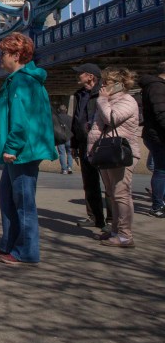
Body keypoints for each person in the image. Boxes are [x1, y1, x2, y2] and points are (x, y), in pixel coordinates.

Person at [0, 33, 55, 266]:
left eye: (4, 53)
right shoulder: (27, 79)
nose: (0, 58)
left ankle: (26, 251)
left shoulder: (20, 81)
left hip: (22, 152)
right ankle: (9, 242)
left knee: (23, 202)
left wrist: (12, 147)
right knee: (8, 197)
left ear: (16, 55)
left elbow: (20, 120)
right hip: (25, 149)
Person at [87, 67, 140, 248]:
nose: (102, 85)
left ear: (119, 84)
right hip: (108, 152)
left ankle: (125, 235)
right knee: (111, 193)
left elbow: (112, 118)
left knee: (121, 194)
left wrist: (102, 100)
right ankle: (116, 230)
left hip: (121, 153)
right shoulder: (110, 100)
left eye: (106, 82)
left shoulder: (127, 100)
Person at [70, 63, 110, 231]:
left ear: (91, 76)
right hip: (83, 143)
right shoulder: (79, 94)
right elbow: (76, 120)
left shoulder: (104, 92)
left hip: (101, 144)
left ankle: (112, 220)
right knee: (90, 183)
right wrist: (73, 143)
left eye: (81, 73)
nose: (77, 75)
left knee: (109, 184)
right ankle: (95, 217)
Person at [139, 62, 165, 218]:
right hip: (159, 136)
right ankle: (157, 206)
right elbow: (161, 113)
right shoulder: (158, 87)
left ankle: (159, 203)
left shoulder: (154, 86)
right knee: (161, 170)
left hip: (154, 134)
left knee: (160, 169)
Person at [53, 104, 73, 174]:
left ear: (59, 110)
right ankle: (70, 167)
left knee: (62, 153)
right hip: (69, 137)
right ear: (66, 110)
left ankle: (64, 169)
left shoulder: (56, 118)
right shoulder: (70, 118)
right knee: (69, 153)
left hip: (60, 137)